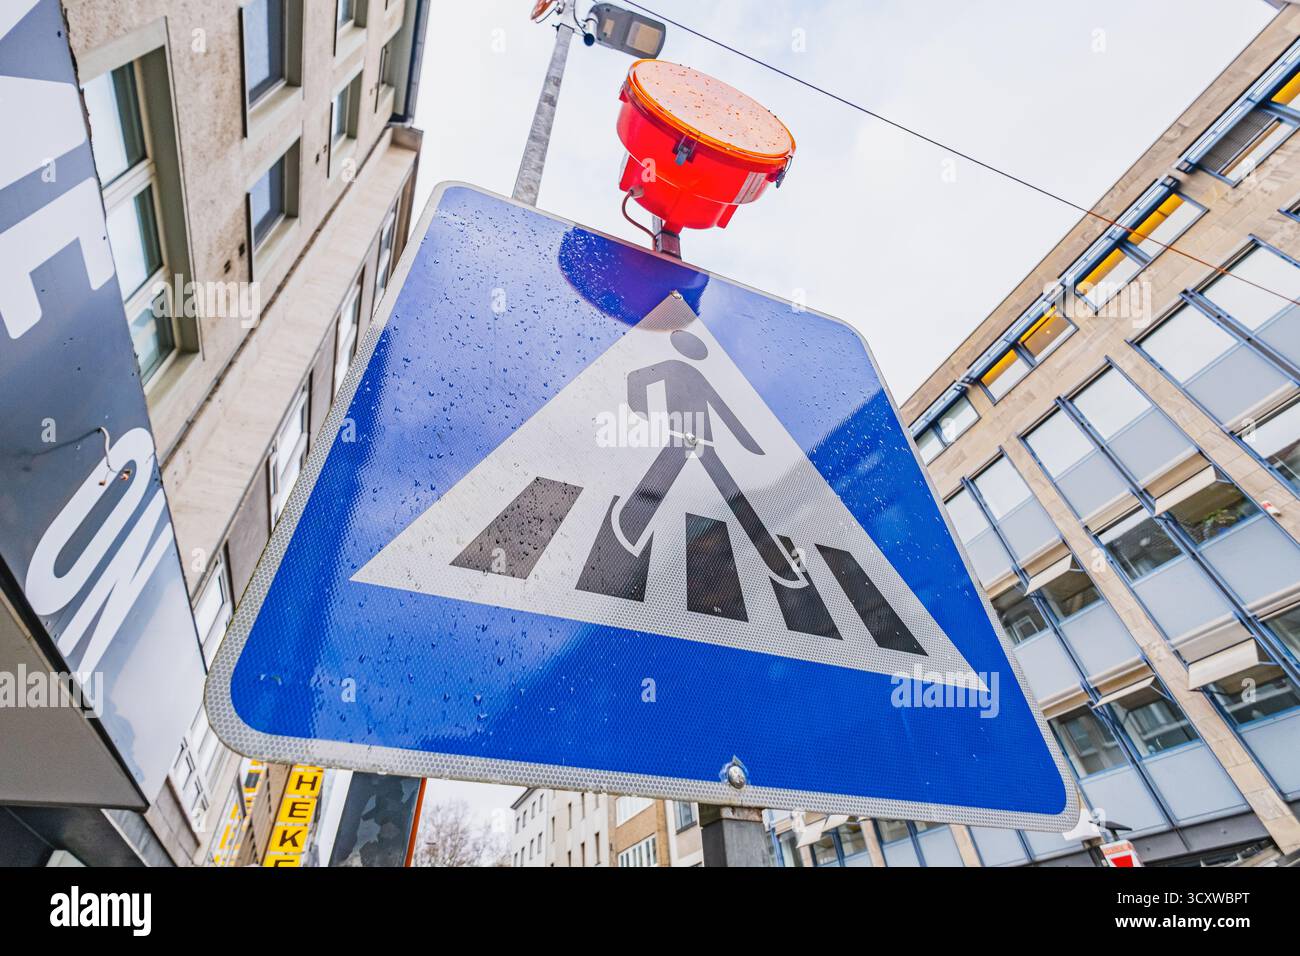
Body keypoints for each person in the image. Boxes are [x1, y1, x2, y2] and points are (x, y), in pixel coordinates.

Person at [611, 328, 802, 585]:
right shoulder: (672, 367)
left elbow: (722, 410)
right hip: (680, 438)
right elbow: (637, 379)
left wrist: (748, 441)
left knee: (732, 494)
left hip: (704, 441)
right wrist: (643, 414)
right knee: (659, 486)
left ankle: (630, 525)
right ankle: (629, 526)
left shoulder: (696, 374)